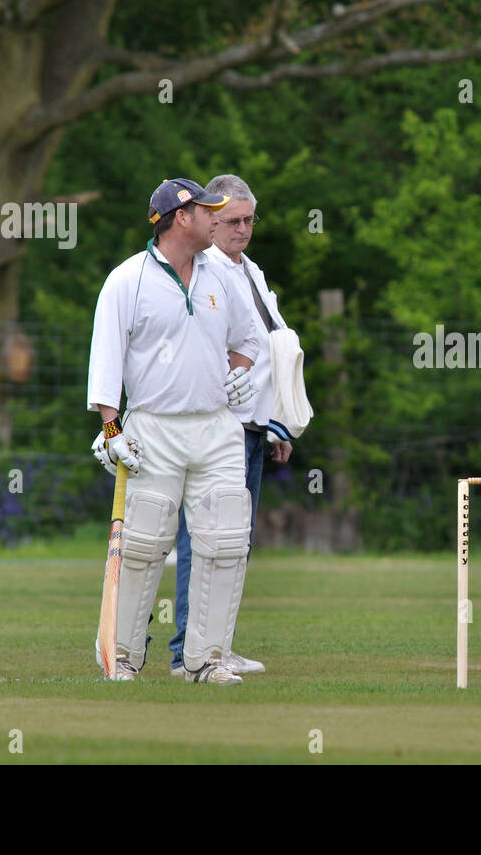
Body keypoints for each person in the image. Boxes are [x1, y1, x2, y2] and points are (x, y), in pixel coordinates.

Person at [88, 177, 260, 685]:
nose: (219, 220)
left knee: (225, 540)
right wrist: (112, 427)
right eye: (209, 211)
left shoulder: (222, 277)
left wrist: (236, 373)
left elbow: (249, 336)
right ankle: (119, 657)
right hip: (153, 430)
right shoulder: (129, 279)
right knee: (142, 544)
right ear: (181, 218)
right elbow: (106, 361)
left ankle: (206, 661)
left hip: (216, 428)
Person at [165, 173, 296, 678]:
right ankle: (185, 652)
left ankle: (217, 644)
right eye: (232, 221)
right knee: (203, 540)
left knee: (236, 542)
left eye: (249, 220)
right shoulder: (204, 272)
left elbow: (273, 345)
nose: (243, 229)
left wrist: (278, 421)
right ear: (210, 222)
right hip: (221, 426)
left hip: (255, 424)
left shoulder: (251, 271)